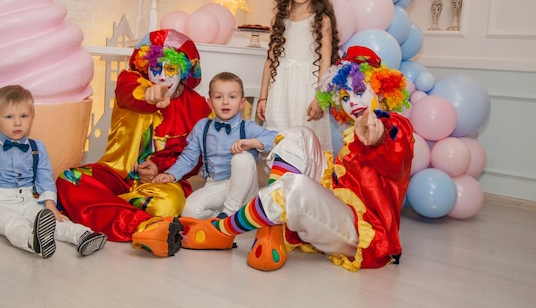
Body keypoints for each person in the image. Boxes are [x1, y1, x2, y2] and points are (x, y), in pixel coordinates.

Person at [132, 46, 414, 272]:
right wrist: (169, 172)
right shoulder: (352, 135)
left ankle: (223, 229)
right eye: (343, 95)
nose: (352, 102)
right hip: (327, 205)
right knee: (299, 133)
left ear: (382, 89)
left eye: (360, 91)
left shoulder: (395, 126)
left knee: (295, 187)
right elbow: (190, 155)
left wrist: (378, 133)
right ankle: (271, 223)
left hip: (363, 235)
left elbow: (394, 151)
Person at [57, 29, 212, 243]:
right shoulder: (130, 81)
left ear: (183, 72)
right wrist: (149, 98)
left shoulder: (198, 107)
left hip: (161, 183)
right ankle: (143, 224)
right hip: (115, 175)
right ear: (145, 64)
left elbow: (195, 159)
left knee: (167, 204)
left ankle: (99, 208)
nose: (162, 75)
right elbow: (130, 94)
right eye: (156, 66)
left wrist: (159, 167)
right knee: (68, 180)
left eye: (171, 68)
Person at [0, 85, 107, 259]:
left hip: (27, 200)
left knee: (52, 219)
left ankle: (84, 236)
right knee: (12, 223)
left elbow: (45, 178)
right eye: (9, 116)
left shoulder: (37, 147)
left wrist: (50, 205)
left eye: (24, 116)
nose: (17, 122)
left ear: (32, 117)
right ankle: (32, 241)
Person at [153, 72, 278, 220]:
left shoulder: (247, 126)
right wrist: (171, 174)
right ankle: (226, 217)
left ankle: (231, 211)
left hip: (245, 187)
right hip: (215, 184)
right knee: (189, 212)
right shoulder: (202, 127)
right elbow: (189, 157)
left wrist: (252, 143)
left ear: (242, 103)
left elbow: (276, 138)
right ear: (210, 103)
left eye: (232, 97)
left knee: (242, 158)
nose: (225, 102)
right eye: (218, 97)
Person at [257, 0, 340, 153]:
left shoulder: (322, 20)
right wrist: (263, 97)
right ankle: (278, 180)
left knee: (305, 139)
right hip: (280, 87)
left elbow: (325, 64)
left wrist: (320, 98)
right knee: (279, 136)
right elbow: (270, 60)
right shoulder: (281, 18)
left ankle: (305, 182)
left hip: (307, 89)